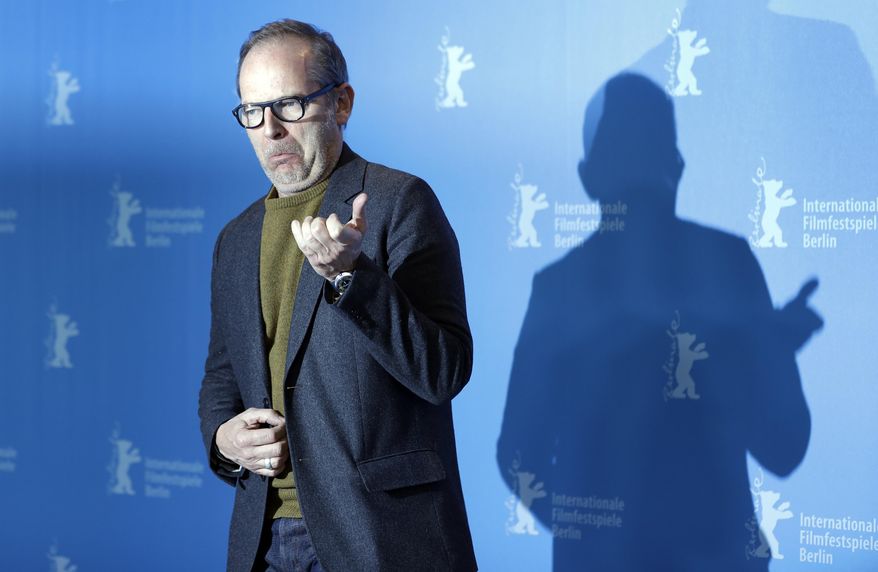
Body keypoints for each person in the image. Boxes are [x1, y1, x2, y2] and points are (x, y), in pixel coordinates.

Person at [198, 19, 477, 572]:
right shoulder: (235, 238)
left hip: (379, 537)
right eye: (252, 112)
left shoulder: (399, 203)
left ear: (342, 103)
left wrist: (353, 279)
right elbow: (220, 380)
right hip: (261, 540)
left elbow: (444, 371)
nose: (270, 129)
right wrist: (224, 441)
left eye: (290, 105)